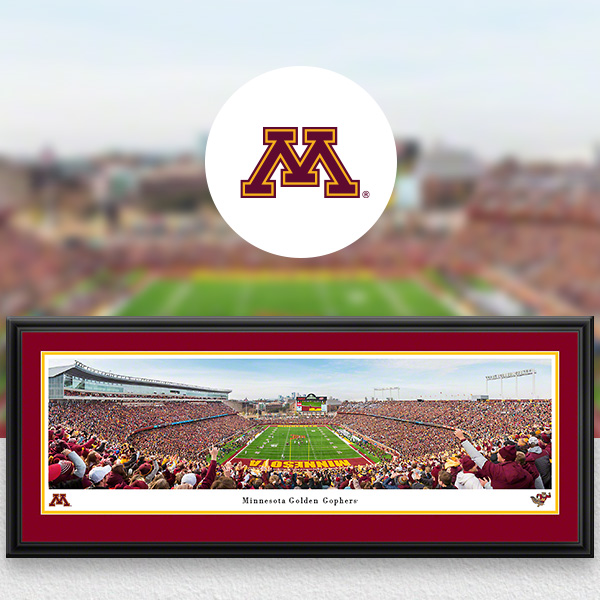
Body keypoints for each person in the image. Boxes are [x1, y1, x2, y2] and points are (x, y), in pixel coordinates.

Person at [454, 429, 533, 489]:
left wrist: (462, 439)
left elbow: (477, 457)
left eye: (500, 454)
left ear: (504, 459)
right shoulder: (525, 473)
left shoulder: (496, 470)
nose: (497, 453)